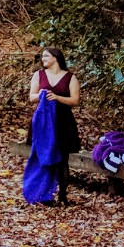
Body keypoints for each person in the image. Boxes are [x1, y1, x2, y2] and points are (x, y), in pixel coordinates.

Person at [28, 47, 81, 204]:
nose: (42, 59)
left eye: (46, 56)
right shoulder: (39, 75)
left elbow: (75, 100)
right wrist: (42, 95)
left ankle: (63, 195)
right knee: (44, 156)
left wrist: (57, 97)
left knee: (62, 158)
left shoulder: (71, 78)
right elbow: (32, 97)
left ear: (56, 58)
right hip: (43, 122)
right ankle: (44, 194)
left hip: (63, 122)